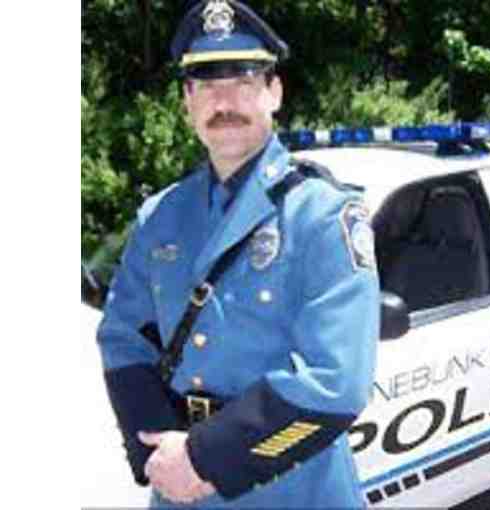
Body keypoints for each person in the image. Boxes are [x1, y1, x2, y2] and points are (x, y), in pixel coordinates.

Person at [96, 0, 380, 508]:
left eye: (243, 81)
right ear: (187, 101)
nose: (224, 100)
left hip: (291, 485)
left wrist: (204, 461)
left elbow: (335, 383)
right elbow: (123, 336)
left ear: (275, 92)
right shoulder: (161, 215)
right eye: (206, 85)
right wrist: (160, 454)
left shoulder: (322, 215)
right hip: (178, 488)